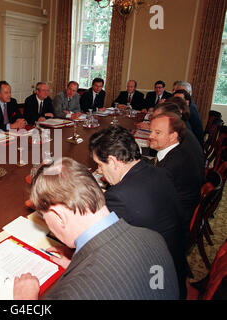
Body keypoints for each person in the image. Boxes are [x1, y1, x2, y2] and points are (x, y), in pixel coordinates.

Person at [13, 157, 179, 300]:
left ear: (58, 215)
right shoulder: (153, 238)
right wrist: (78, 265)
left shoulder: (73, 293)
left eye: (44, 217)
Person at [89, 125, 188, 299]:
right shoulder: (158, 172)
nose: (98, 171)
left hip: (153, 284)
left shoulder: (119, 197)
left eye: (99, 164)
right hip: (174, 269)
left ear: (112, 161)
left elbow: (94, 245)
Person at [149, 112, 205, 240]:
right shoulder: (178, 151)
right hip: (177, 210)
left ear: (173, 136)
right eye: (151, 131)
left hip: (172, 226)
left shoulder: (170, 167)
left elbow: (153, 202)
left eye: (157, 133)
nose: (150, 136)